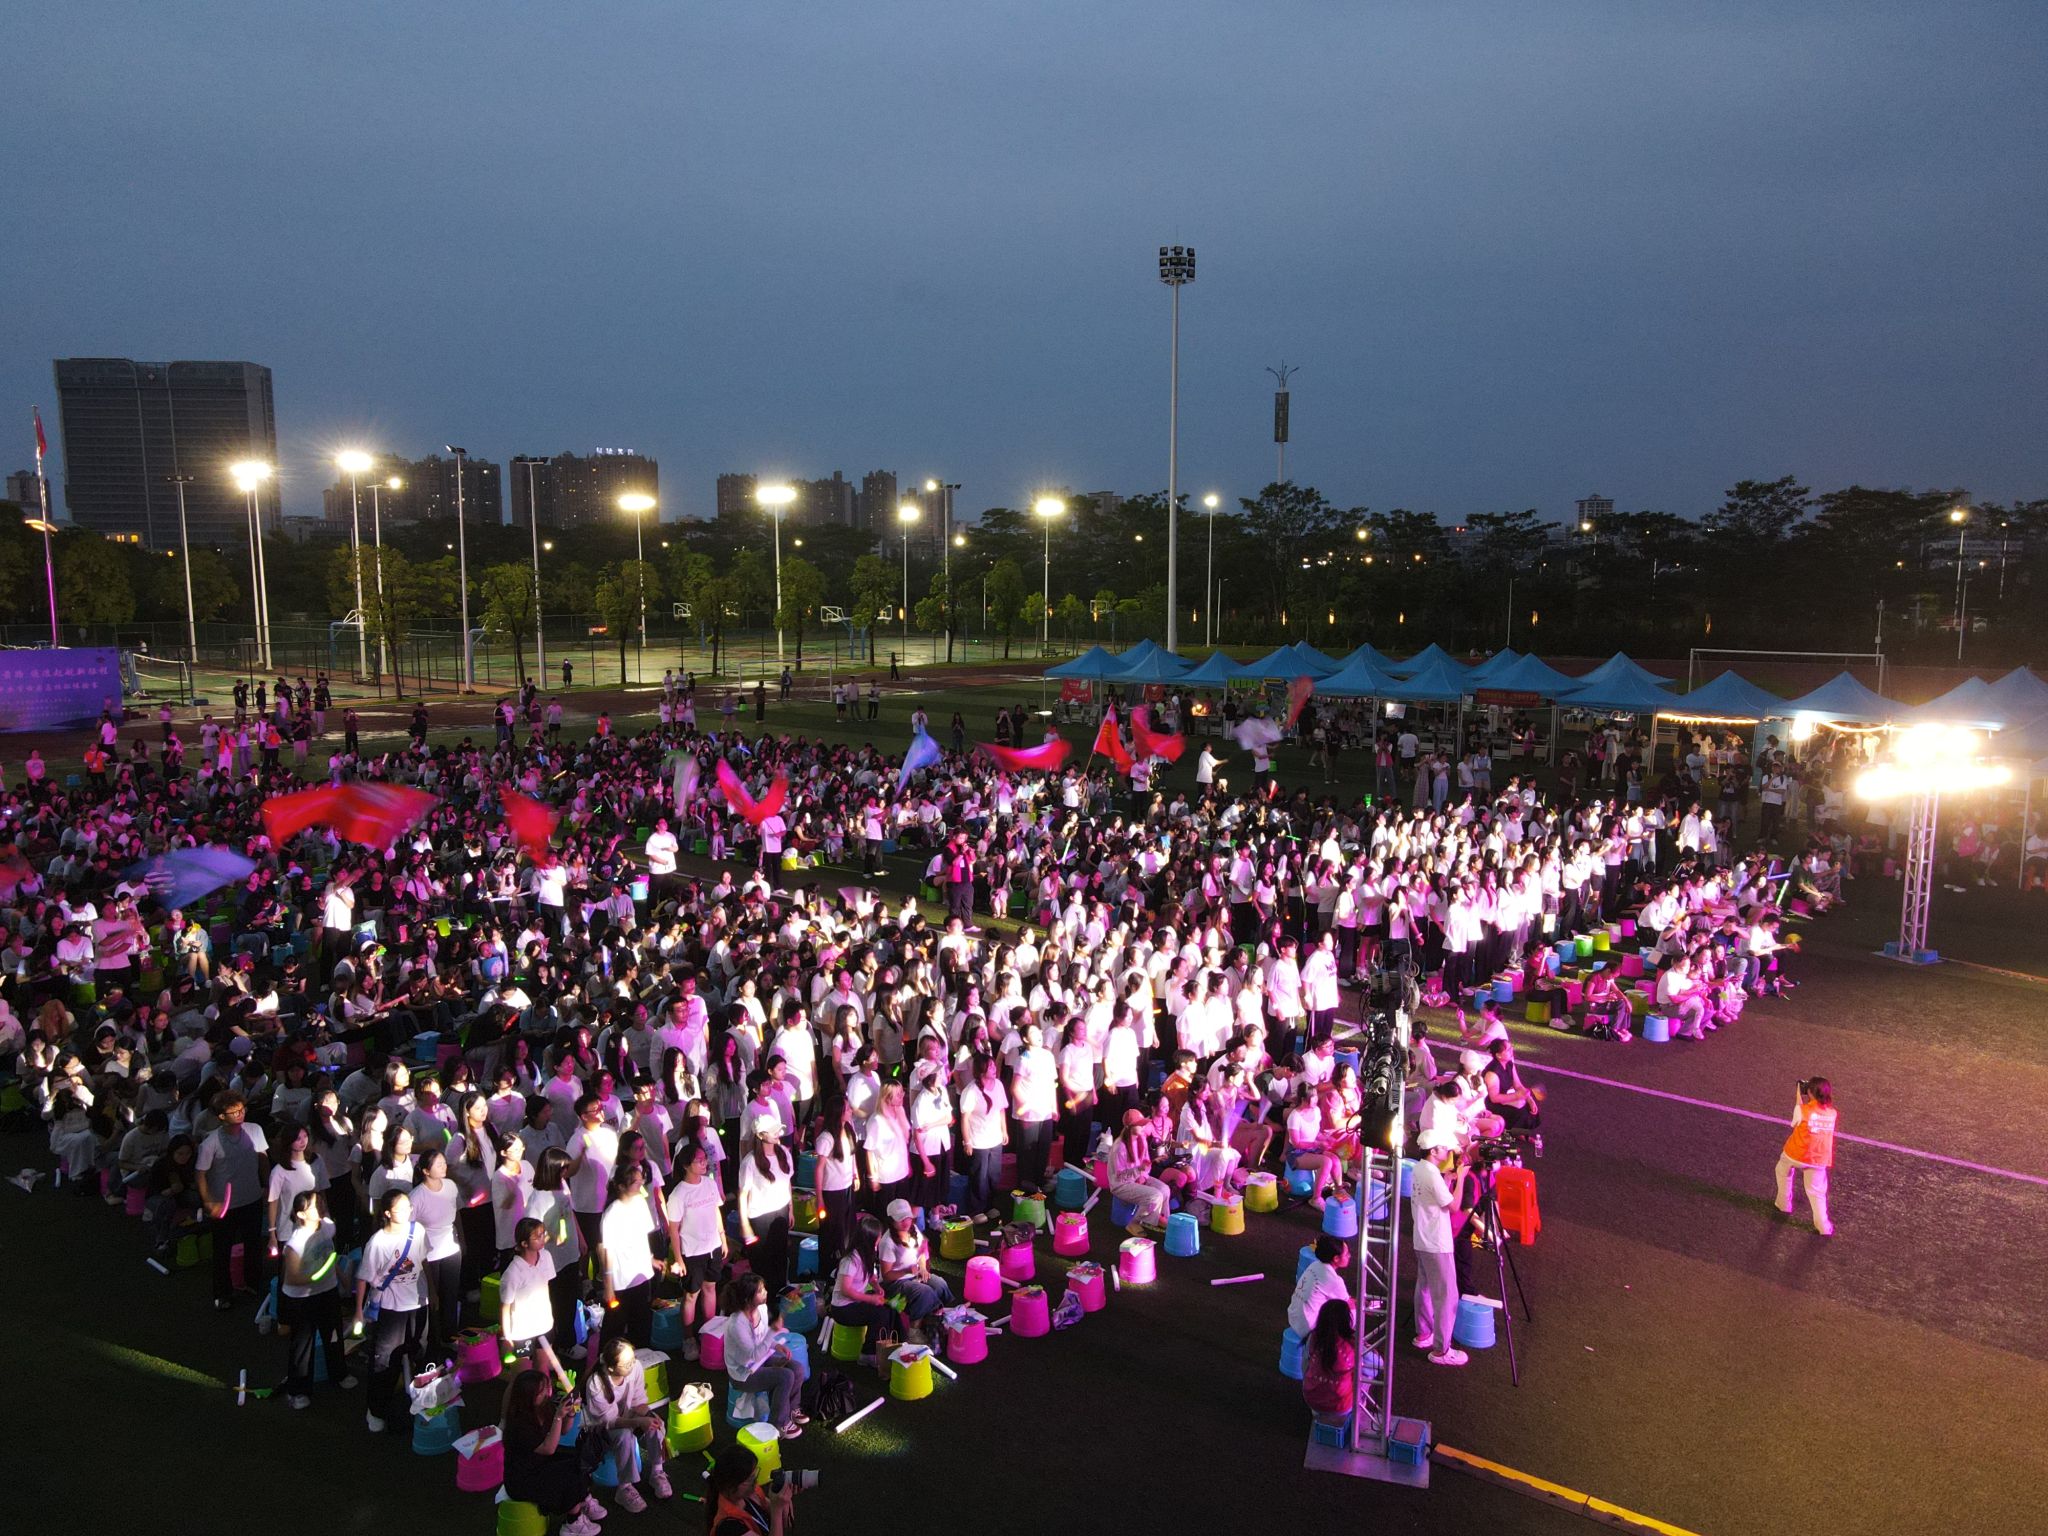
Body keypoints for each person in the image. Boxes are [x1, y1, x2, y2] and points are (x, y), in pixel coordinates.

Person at [353, 1187, 430, 1433]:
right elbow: (364, 1277)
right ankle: (376, 1409)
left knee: (420, 1350)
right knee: (385, 1361)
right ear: (387, 1213)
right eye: (401, 1208)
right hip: (390, 1308)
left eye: (409, 1207)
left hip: (419, 1302)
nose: (408, 1212)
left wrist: (433, 1293)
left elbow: (424, 1261)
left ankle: (420, 1400)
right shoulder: (377, 1242)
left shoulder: (418, 1230)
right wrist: (358, 1312)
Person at [501, 1368, 604, 1536]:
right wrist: (558, 1416)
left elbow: (564, 1431)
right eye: (542, 1391)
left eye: (547, 1386)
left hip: (539, 1462)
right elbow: (548, 1449)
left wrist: (570, 1413)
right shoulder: (519, 1425)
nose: (548, 1392)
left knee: (578, 1458)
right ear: (528, 1396)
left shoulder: (543, 1407)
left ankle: (582, 1498)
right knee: (570, 1472)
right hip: (523, 1478)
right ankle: (573, 1521)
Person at [580, 1337, 673, 1512]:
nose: (633, 1364)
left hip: (627, 1417)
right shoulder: (597, 1384)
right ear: (611, 1368)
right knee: (625, 1436)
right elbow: (608, 1421)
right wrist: (638, 1421)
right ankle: (624, 1488)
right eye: (627, 1363)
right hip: (600, 1430)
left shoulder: (635, 1367)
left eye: (633, 1359)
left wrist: (649, 1416)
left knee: (655, 1424)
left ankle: (657, 1471)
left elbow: (639, 1401)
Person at [278, 1189, 352, 1409]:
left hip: (327, 1291)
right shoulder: (296, 1242)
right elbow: (291, 1278)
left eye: (320, 1202)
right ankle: (298, 1390)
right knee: (303, 1343)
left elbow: (328, 1255)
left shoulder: (327, 1227)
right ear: (301, 1214)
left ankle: (339, 1374)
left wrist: (340, 1276)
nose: (320, 1207)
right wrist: (316, 1277)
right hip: (302, 1299)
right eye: (313, 1206)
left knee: (334, 1335)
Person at [195, 1090, 268, 1310]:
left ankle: (253, 1284)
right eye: (234, 1112)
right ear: (221, 1116)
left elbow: (263, 1158)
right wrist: (208, 1202)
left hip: (252, 1198)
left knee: (253, 1244)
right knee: (222, 1250)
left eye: (242, 1109)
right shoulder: (211, 1142)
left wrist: (266, 1186)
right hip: (224, 1205)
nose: (240, 1114)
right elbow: (200, 1173)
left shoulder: (255, 1130)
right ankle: (222, 1293)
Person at [722, 1272, 809, 1436]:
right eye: (760, 1290)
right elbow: (754, 1354)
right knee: (785, 1376)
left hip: (760, 1361)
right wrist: (773, 1331)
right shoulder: (736, 1324)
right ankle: (779, 1424)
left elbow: (762, 1337)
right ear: (748, 1298)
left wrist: (776, 1345)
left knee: (797, 1368)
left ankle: (792, 1409)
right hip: (743, 1374)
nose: (766, 1292)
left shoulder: (761, 1309)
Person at [661, 1140, 726, 1360]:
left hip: (713, 1247)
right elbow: (673, 1229)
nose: (704, 1163)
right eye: (699, 1160)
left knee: (711, 1288)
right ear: (686, 1165)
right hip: (692, 1252)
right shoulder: (678, 1194)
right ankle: (688, 1338)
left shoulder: (709, 1184)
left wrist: (722, 1238)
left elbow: (716, 1211)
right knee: (691, 1295)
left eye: (704, 1159)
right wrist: (678, 1258)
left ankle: (709, 1331)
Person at [1410, 1129, 1469, 1366]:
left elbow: (1435, 1196)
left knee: (1424, 1287)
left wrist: (1449, 1179)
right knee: (1447, 1295)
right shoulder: (1432, 1175)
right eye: (1443, 1148)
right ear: (1433, 1151)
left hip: (1422, 1238)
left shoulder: (1420, 1168)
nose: (1447, 1151)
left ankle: (1423, 1333)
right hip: (1437, 1242)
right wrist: (1461, 1178)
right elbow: (1453, 1206)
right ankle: (1442, 1350)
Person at [499, 1215, 574, 1390]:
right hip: (522, 1331)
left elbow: (546, 1286)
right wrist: (506, 1337)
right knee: (520, 1379)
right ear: (524, 1243)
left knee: (542, 1371)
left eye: (543, 1234)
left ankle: (544, 1402)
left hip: (544, 1324)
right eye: (538, 1236)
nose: (543, 1238)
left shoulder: (546, 1256)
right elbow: (505, 1307)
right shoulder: (513, 1273)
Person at [1774, 1077, 1836, 1236]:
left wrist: (1798, 1093)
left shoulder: (1802, 1110)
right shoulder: (1832, 1114)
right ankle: (1823, 1227)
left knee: (1782, 1171)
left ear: (1809, 1092)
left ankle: (1783, 1204)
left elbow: (1796, 1120)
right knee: (1817, 1193)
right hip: (1818, 1159)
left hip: (1795, 1154)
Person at [705, 1441, 798, 1536]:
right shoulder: (729, 1527)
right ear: (730, 1487)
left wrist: (784, 1498)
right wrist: (777, 1509)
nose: (755, 1482)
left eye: (754, 1475)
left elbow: (786, 1524)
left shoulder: (750, 1492)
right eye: (749, 1479)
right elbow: (777, 1515)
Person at [1302, 1295, 1357, 1424]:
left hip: (1311, 1398)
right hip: (1340, 1406)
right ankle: (1357, 1409)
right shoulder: (1352, 1344)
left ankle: (1318, 1415)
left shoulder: (1314, 1337)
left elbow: (1304, 1365)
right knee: (1366, 1373)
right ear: (1347, 1320)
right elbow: (1378, 1364)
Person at [1287, 1233, 1351, 1341]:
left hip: (1293, 1317)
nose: (1349, 1256)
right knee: (1351, 1312)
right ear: (1336, 1258)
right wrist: (1365, 1305)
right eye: (1346, 1254)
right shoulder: (1335, 1281)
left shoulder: (1314, 1265)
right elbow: (1347, 1303)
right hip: (1308, 1328)